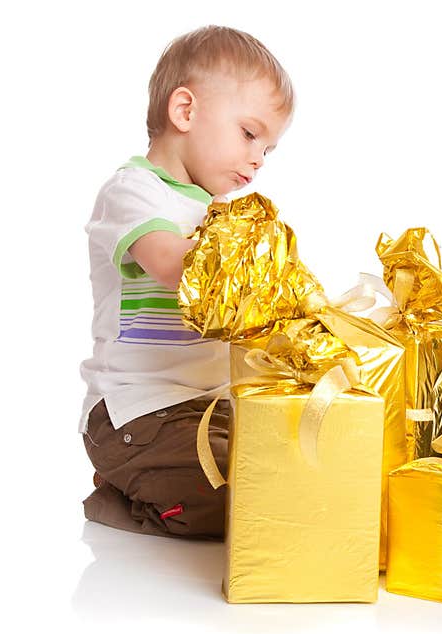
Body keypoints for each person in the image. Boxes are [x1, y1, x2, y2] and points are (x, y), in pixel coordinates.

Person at [79, 25, 294, 539]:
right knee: (240, 502)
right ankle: (121, 498)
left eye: (269, 147)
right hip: (138, 414)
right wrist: (255, 261)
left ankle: (149, 483)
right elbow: (175, 266)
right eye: (249, 133)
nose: (258, 158)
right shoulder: (133, 193)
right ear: (185, 112)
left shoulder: (215, 211)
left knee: (290, 476)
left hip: (208, 409)